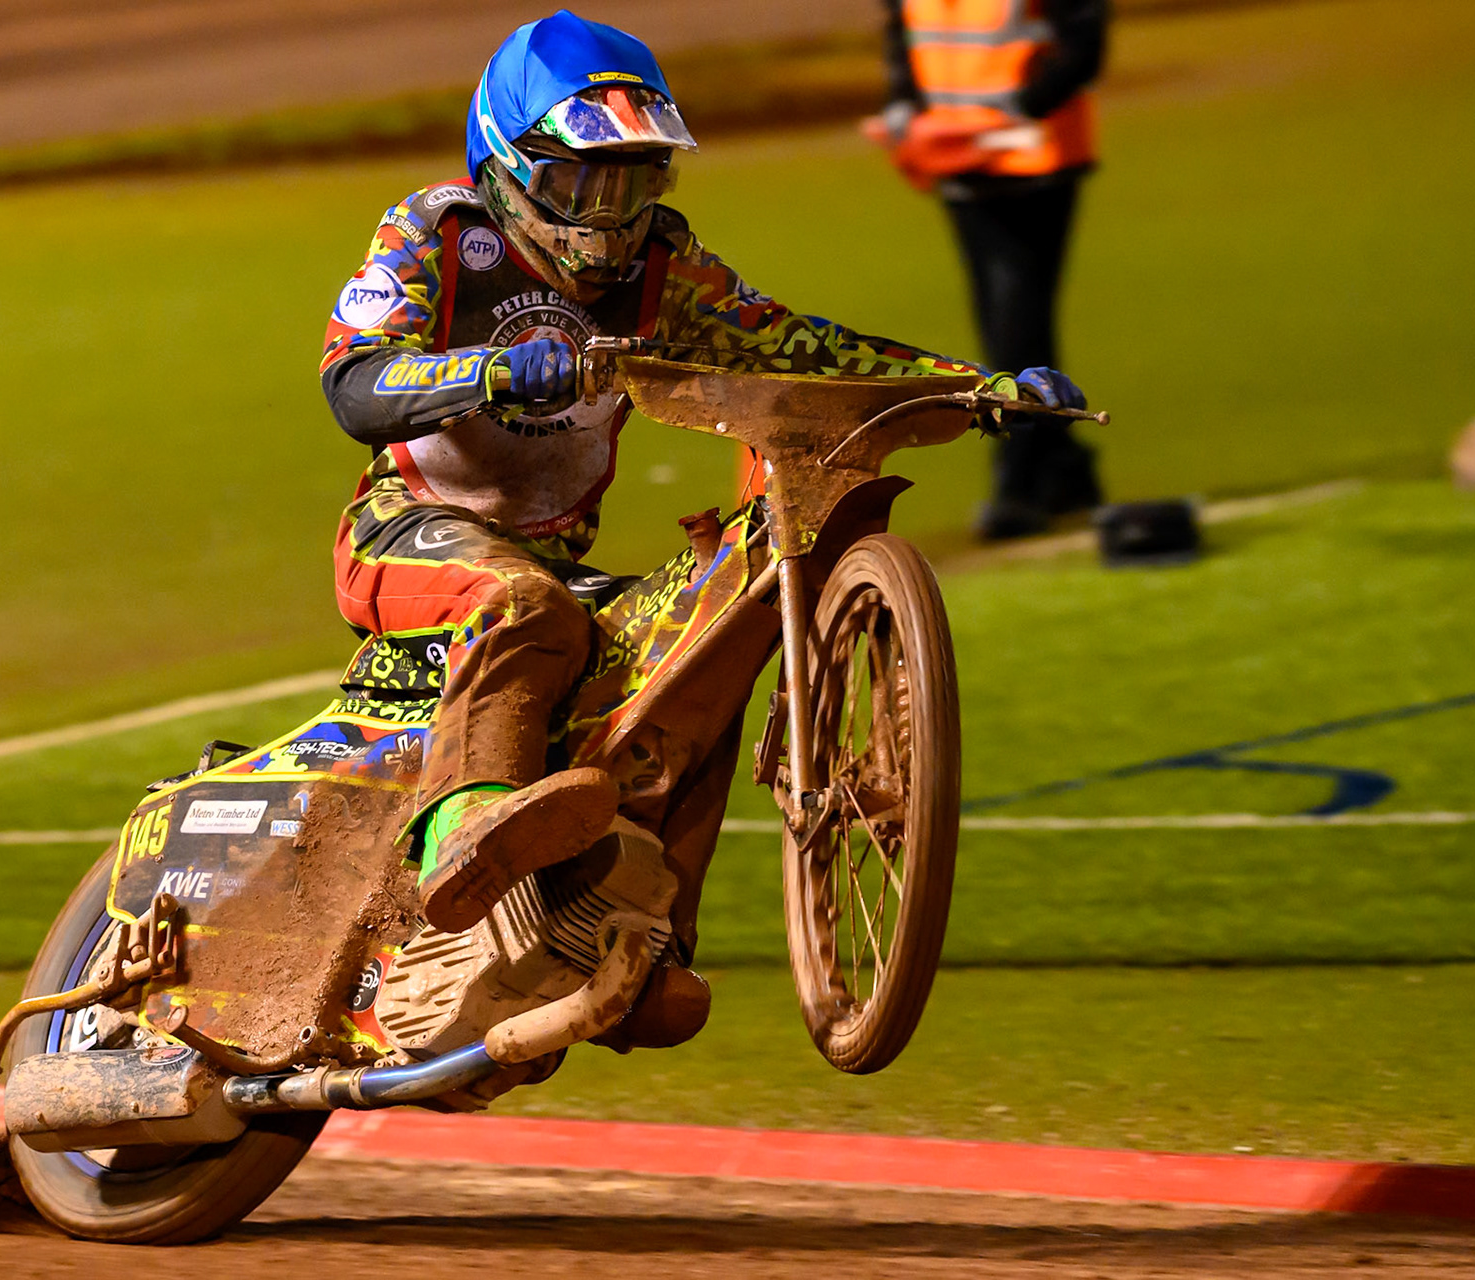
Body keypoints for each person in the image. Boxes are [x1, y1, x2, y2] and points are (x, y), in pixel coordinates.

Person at [319, 10, 1084, 1043]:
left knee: (699, 664)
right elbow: (354, 381)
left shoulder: (665, 270)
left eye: (634, 184)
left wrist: (976, 385)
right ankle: (467, 827)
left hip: (554, 560)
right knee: (523, 604)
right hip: (405, 530)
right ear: (509, 167)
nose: (611, 218)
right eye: (584, 184)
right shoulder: (436, 236)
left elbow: (800, 346)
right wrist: (489, 371)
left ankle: (645, 947)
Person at [869, 0, 1108, 540]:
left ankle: (1022, 477)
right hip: (958, 160)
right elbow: (905, 40)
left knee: (1016, 318)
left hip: (1035, 159)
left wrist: (1010, 112)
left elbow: (1083, 48)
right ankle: (1060, 466)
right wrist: (907, 117)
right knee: (1006, 319)